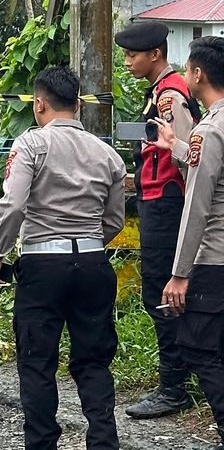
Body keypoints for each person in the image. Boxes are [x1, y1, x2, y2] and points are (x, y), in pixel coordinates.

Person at [0, 66, 125, 450]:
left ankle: (43, 444)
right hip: (94, 265)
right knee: (94, 361)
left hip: (43, 266)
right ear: (78, 105)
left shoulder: (30, 145)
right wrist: (89, 241)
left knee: (37, 363)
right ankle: (102, 442)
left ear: (39, 104)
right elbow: (113, 220)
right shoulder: (108, 154)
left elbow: (13, 205)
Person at [115, 21, 200, 419]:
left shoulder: (170, 97)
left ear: (155, 54)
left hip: (167, 205)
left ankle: (174, 386)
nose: (128, 62)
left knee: (162, 293)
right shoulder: (159, 92)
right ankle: (180, 376)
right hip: (155, 198)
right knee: (161, 292)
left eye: (133, 56)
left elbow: (188, 156)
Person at [154, 36, 224, 450]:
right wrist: (177, 146)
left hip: (214, 258)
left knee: (198, 347)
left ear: (198, 74)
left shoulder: (209, 129)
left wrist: (179, 274)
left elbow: (198, 205)